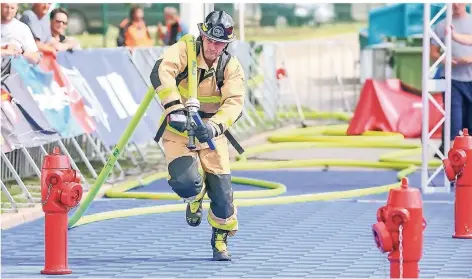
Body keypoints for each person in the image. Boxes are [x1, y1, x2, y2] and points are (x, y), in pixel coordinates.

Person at [150, 10, 245, 261]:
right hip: (178, 129)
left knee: (223, 195)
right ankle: (194, 197)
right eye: (210, 41)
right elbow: (161, 71)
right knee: (185, 182)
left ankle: (220, 239)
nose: (214, 47)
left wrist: (214, 127)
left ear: (226, 43)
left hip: (212, 132)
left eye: (220, 43)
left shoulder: (230, 66)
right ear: (203, 36)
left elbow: (234, 102)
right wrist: (175, 110)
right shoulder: (185, 50)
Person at [430, 3, 472, 157]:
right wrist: (445, 60)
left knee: (470, 123)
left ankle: (468, 160)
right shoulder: (441, 26)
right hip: (452, 80)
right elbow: (433, 52)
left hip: (470, 79)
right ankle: (451, 158)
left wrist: (469, 58)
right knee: (454, 120)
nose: (455, 4)